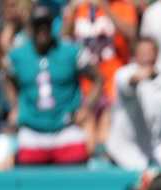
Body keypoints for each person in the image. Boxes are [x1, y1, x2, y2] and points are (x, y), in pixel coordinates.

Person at [6, 5, 98, 167]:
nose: (42, 30)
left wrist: (86, 108)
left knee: (76, 175)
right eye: (37, 25)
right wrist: (14, 106)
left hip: (66, 129)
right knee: (28, 179)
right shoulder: (17, 55)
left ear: (52, 26)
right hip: (32, 130)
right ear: (30, 28)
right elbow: (7, 78)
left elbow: (98, 78)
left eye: (46, 25)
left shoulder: (71, 52)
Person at [64, 0, 139, 150]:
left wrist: (105, 8)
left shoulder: (123, 6)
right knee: (86, 140)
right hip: (85, 85)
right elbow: (64, 40)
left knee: (107, 138)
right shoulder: (81, 7)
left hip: (112, 82)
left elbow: (131, 33)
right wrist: (70, 14)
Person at [106, 38, 161, 170]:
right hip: (124, 151)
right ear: (135, 54)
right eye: (142, 52)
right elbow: (128, 83)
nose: (146, 55)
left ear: (156, 54)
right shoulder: (123, 73)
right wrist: (139, 77)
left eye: (149, 51)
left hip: (158, 149)